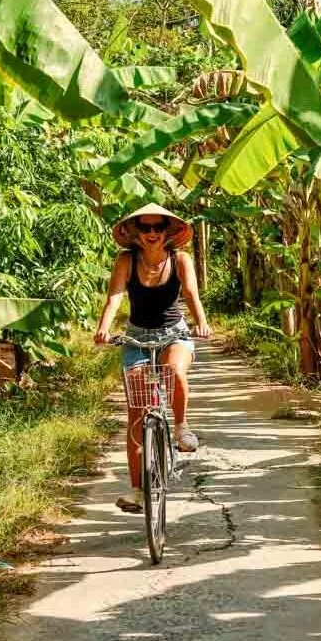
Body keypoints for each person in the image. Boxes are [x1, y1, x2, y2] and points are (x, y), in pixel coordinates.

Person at [94, 203, 212, 513]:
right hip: (136, 337)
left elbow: (191, 295)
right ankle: (137, 490)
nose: (151, 233)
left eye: (157, 227)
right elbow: (115, 297)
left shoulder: (180, 260)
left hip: (174, 334)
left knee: (173, 370)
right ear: (135, 233)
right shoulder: (126, 260)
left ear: (167, 231)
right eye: (144, 228)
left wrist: (201, 323)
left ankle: (181, 427)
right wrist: (103, 328)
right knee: (137, 414)